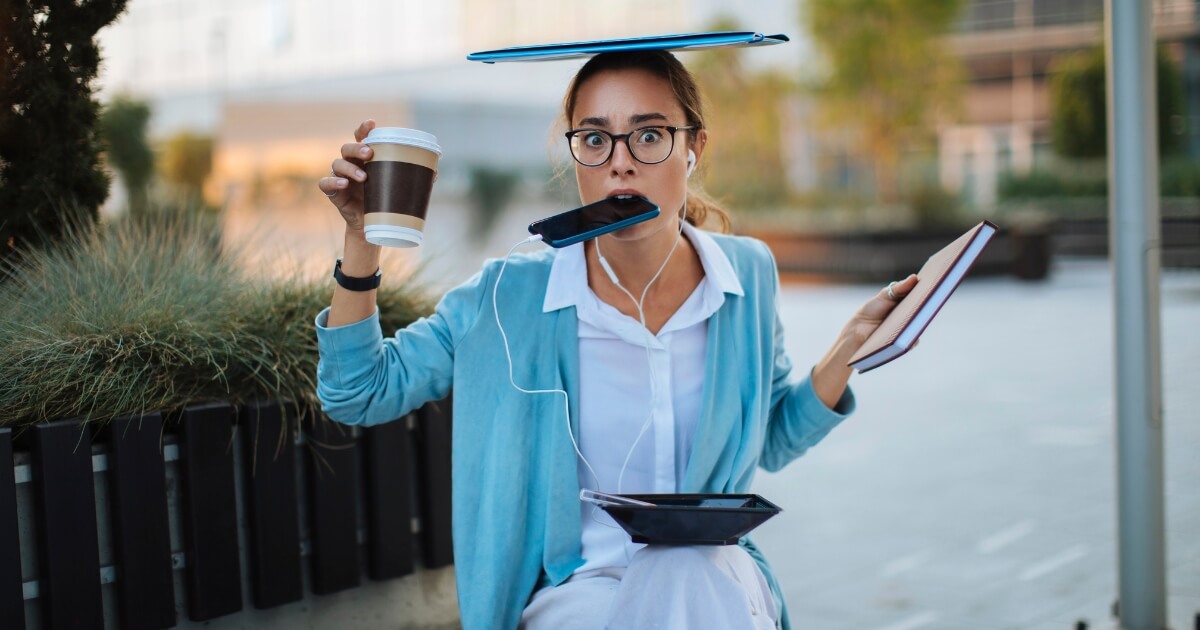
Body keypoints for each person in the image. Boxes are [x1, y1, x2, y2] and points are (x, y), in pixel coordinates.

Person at [315, 50, 917, 630]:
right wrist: (361, 240)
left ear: (694, 148)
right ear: (575, 153)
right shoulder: (509, 296)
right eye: (596, 139)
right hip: (580, 592)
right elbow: (359, 392)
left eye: (650, 136)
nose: (620, 163)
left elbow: (774, 438)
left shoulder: (747, 276)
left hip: (714, 574)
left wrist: (846, 351)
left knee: (688, 567)